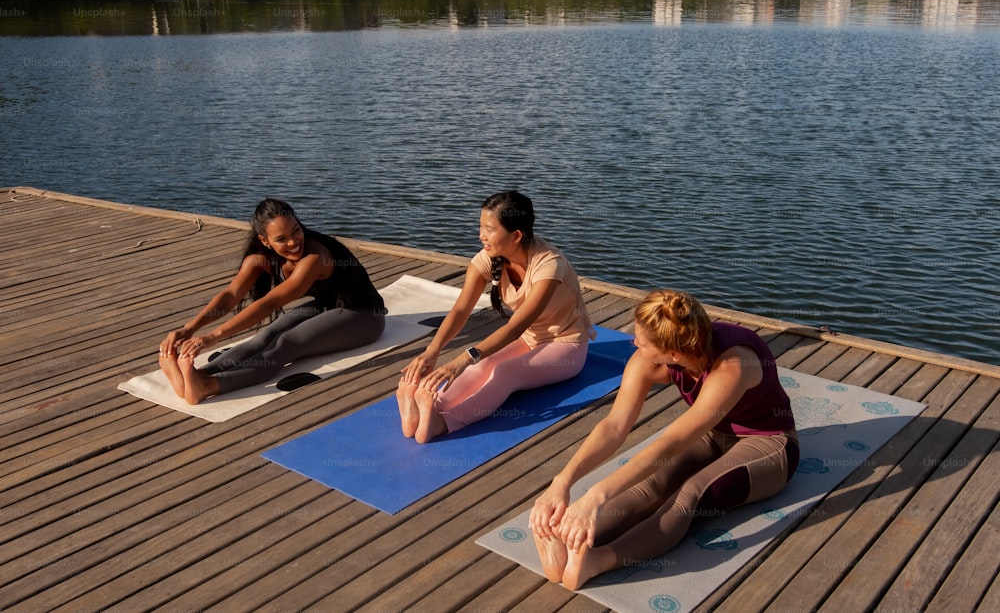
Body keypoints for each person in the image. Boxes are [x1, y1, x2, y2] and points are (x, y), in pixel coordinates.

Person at [530, 289, 799, 590]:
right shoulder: (651, 360)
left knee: (689, 494)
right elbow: (614, 425)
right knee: (650, 485)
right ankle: (567, 539)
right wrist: (563, 481)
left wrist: (596, 494)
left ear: (673, 354)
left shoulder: (733, 366)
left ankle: (598, 560)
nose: (634, 344)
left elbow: (672, 441)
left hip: (768, 444)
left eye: (641, 342)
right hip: (713, 434)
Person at [395, 190, 595, 443]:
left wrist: (462, 359)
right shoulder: (489, 258)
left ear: (516, 235)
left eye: (489, 229)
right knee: (483, 364)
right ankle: (431, 406)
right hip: (528, 340)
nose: (481, 236)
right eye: (480, 227)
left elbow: (515, 327)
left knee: (503, 372)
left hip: (565, 344)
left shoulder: (548, 265)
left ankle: (443, 422)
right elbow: (460, 310)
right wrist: (432, 349)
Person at [158, 198, 385, 405]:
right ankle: (199, 376)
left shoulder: (315, 257)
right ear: (264, 241)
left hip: (364, 316)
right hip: (327, 305)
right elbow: (230, 296)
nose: (293, 242)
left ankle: (210, 386)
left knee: (287, 342)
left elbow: (269, 303)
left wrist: (212, 337)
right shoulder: (259, 259)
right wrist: (190, 329)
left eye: (296, 231)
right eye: (281, 239)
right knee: (265, 337)